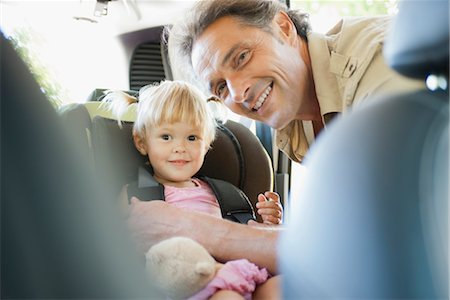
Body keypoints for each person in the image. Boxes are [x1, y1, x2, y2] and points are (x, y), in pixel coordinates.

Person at [130, 0, 424, 278]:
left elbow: (377, 246)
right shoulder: (295, 125)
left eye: (242, 57)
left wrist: (194, 229)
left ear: (283, 26)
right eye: (220, 87)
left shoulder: (380, 63)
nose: (239, 93)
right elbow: (336, 233)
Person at [105, 80, 282, 298]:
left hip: (239, 271)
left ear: (206, 143)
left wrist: (267, 223)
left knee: (281, 288)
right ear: (142, 142)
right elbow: (111, 244)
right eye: (166, 137)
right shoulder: (136, 195)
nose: (180, 148)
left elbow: (245, 236)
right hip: (186, 285)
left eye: (192, 138)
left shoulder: (226, 194)